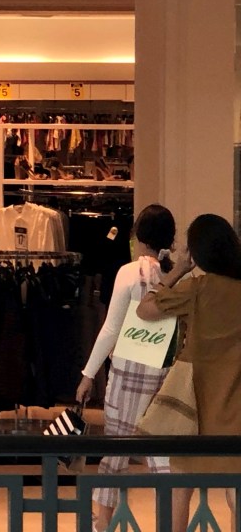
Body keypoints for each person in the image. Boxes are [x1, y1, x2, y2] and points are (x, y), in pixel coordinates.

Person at [74, 204, 177, 532]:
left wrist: (88, 374)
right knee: (162, 460)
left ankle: (102, 527)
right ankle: (170, 524)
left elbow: (111, 329)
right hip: (163, 377)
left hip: (127, 376)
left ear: (137, 237)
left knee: (114, 457)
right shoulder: (174, 275)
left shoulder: (129, 273)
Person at [138, 213, 241, 532]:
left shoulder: (197, 288)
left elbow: (145, 309)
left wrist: (179, 269)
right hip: (235, 401)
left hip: (195, 406)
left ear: (197, 252)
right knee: (236, 491)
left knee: (180, 487)